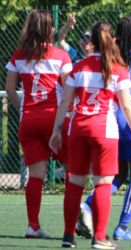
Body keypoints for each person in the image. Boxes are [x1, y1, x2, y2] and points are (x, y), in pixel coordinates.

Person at [49, 21, 131, 249]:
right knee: (103, 183)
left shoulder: (79, 66)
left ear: (90, 40)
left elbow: (65, 100)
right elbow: (127, 105)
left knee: (75, 183)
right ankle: (100, 237)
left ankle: (68, 237)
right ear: (113, 40)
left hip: (78, 129)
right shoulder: (118, 68)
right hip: (104, 131)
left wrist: (56, 129)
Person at [78, 16, 131, 241]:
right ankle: (121, 228)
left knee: (117, 174)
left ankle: (86, 205)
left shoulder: (110, 54)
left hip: (111, 120)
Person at [5, 9, 72, 239]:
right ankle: (70, 228)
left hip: (29, 122)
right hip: (55, 120)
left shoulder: (18, 56)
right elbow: (68, 92)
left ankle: (33, 226)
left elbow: (11, 91)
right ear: (50, 30)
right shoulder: (61, 56)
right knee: (74, 173)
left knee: (36, 176)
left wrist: (23, 111)